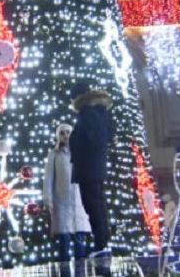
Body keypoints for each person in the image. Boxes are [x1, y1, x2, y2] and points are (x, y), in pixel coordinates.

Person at [68, 80, 116, 256]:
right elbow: (108, 135)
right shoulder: (100, 111)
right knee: (98, 203)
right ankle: (102, 241)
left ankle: (100, 243)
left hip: (88, 166)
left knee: (92, 205)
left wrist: (75, 143)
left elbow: (89, 139)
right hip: (96, 165)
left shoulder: (87, 113)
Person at [44, 123, 92, 266]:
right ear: (58, 136)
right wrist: (48, 199)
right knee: (64, 244)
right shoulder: (54, 154)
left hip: (79, 202)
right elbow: (48, 178)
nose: (65, 136)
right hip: (61, 202)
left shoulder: (80, 153)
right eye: (62, 133)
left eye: (68, 132)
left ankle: (80, 271)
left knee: (80, 242)